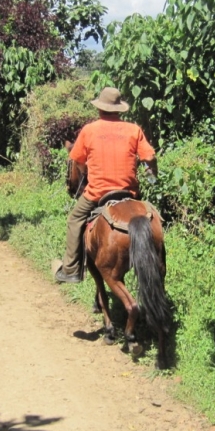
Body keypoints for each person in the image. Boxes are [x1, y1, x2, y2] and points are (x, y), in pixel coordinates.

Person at [53, 86, 157, 283]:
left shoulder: (89, 130)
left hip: (97, 193)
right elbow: (150, 157)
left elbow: (78, 161)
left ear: (100, 108)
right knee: (151, 216)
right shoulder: (133, 130)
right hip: (129, 192)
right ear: (119, 109)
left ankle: (71, 270)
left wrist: (86, 173)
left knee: (74, 219)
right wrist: (153, 176)